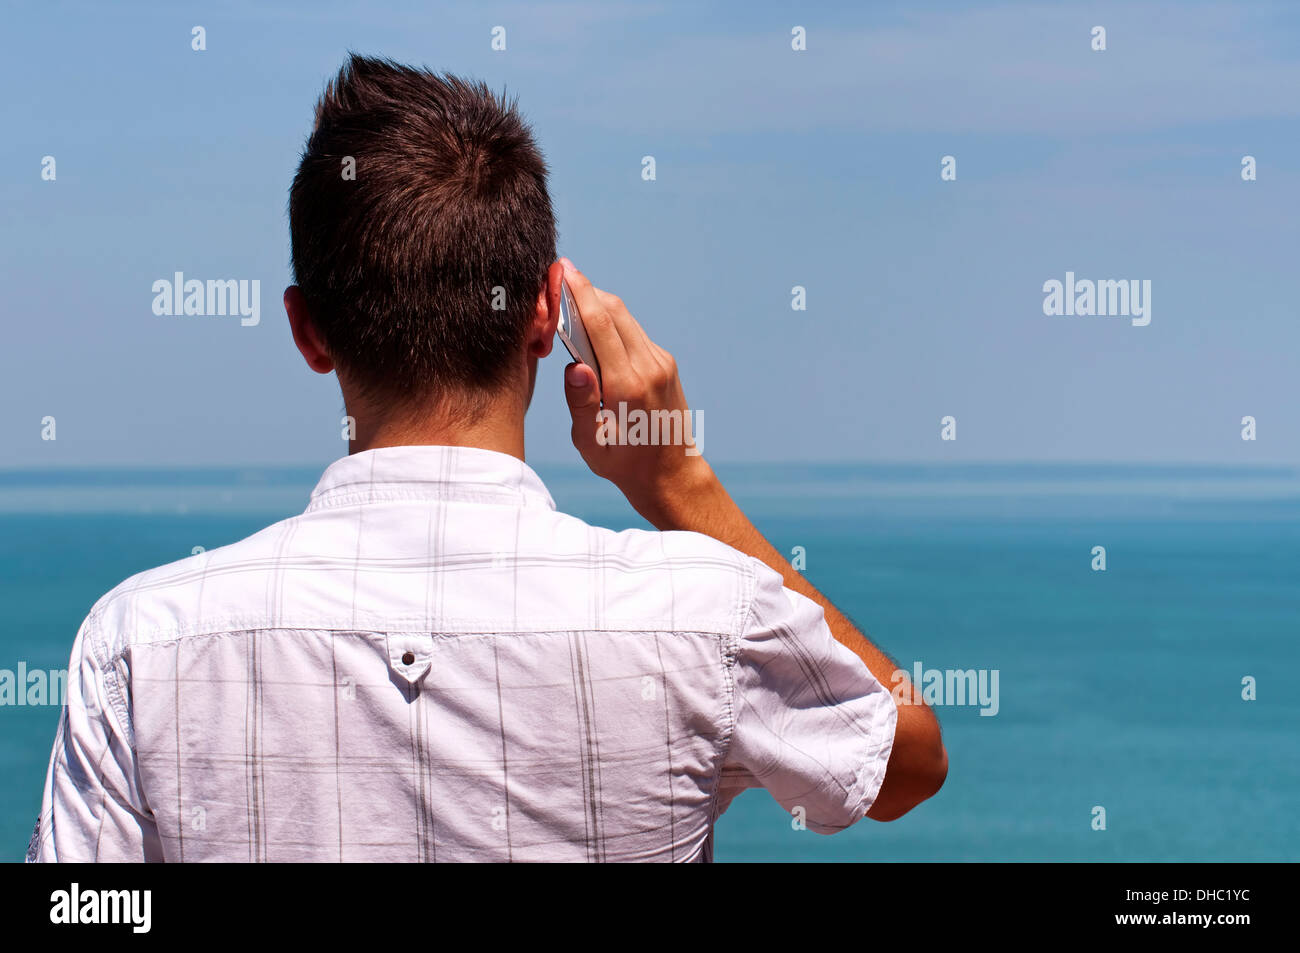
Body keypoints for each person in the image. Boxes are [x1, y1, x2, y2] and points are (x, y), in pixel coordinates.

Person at [28, 54, 945, 862]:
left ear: (307, 330)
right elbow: (906, 758)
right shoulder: (701, 612)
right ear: (548, 313)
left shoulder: (142, 643)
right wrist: (679, 485)